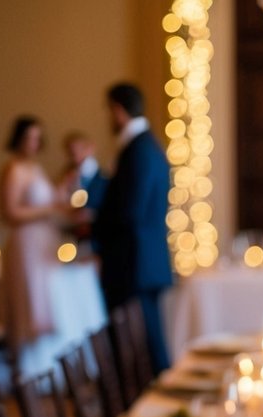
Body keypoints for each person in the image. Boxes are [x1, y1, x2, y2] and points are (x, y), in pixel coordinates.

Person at [94, 82, 172, 373]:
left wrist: (94, 226)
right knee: (148, 346)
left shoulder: (137, 150)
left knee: (144, 350)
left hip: (133, 263)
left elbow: (130, 210)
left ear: (118, 109)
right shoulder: (148, 145)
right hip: (145, 261)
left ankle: (150, 412)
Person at [0, 115, 68, 364]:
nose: (34, 143)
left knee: (48, 298)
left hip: (45, 242)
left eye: (38, 138)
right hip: (25, 242)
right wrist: (48, 210)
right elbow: (9, 212)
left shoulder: (36, 169)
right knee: (29, 298)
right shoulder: (13, 169)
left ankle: (48, 364)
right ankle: (28, 366)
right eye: (29, 137)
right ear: (18, 139)